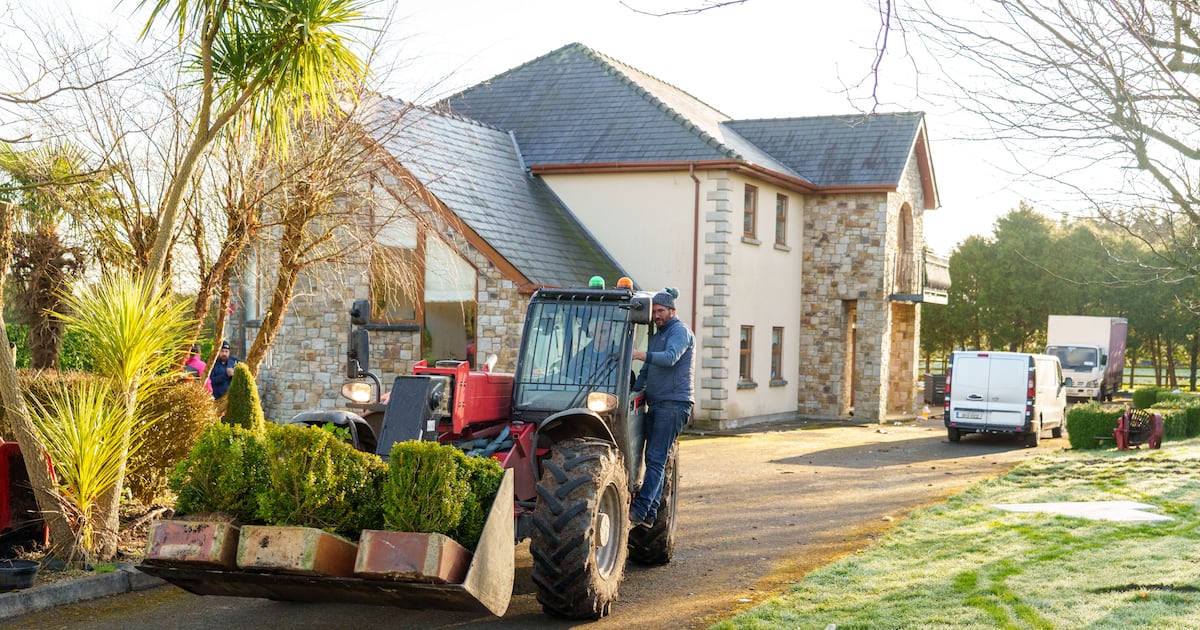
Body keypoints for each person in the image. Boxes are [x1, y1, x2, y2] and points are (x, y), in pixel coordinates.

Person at [630, 288, 694, 528]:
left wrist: (639, 354)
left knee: (656, 458)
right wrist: (633, 392)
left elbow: (669, 358)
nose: (657, 315)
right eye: (654, 311)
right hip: (656, 402)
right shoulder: (656, 335)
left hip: (675, 403)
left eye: (661, 311)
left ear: (672, 311)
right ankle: (651, 512)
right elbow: (646, 372)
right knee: (652, 457)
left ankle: (639, 509)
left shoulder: (680, 332)